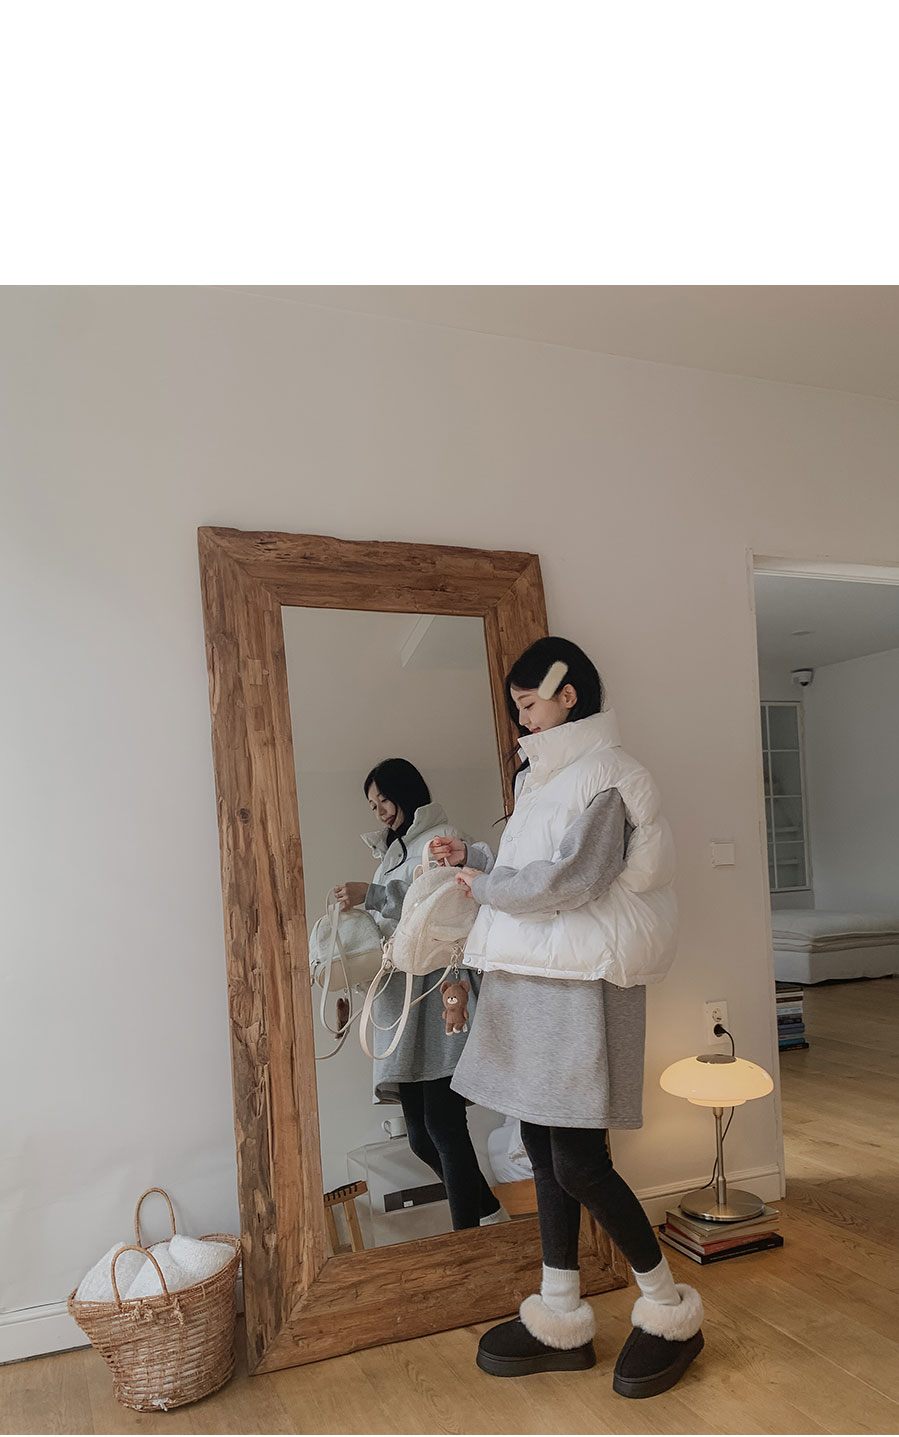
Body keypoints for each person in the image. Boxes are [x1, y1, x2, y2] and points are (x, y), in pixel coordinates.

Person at [429, 637, 703, 1400]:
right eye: (516, 706)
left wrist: (484, 887)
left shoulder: (611, 776)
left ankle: (669, 1309)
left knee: (578, 1160)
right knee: (543, 1149)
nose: (521, 718)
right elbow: (531, 870)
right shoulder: (541, 778)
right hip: (535, 975)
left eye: (529, 702)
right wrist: (471, 857)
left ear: (567, 693)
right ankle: (558, 1314)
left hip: (581, 983)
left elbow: (575, 878)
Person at [334, 757, 505, 1231]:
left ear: (405, 791)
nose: (379, 812)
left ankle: (468, 1238)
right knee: (422, 1138)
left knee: (443, 1126)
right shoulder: (390, 854)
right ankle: (490, 1216)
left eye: (383, 800)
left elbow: (437, 901)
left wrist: (371, 894)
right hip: (401, 994)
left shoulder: (441, 838)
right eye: (372, 806)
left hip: (436, 988)